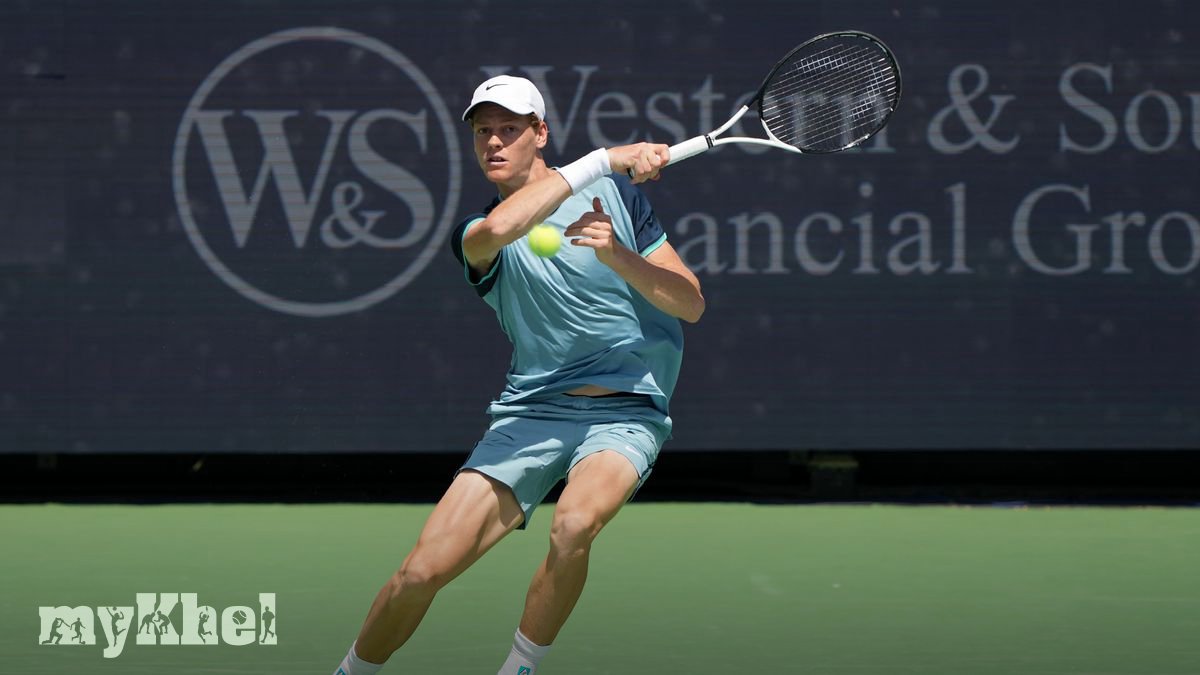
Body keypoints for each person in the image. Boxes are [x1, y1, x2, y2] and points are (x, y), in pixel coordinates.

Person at [334, 75, 704, 675]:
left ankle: (519, 669)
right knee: (421, 571)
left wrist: (619, 256)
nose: (494, 143)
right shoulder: (477, 237)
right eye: (483, 132)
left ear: (540, 134)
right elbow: (506, 228)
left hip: (627, 411)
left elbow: (690, 303)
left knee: (574, 524)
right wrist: (606, 157)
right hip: (531, 414)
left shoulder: (621, 201)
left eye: (510, 129)